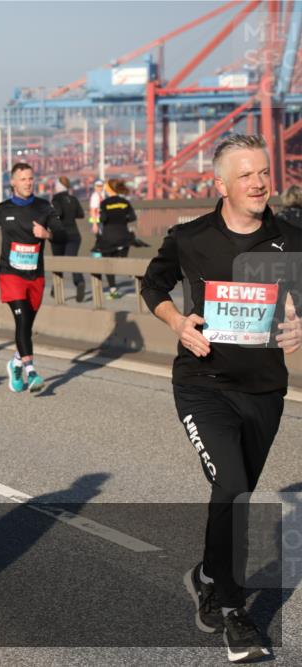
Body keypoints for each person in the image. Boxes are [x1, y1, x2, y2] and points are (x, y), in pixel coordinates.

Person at [141, 135, 301, 664]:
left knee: (235, 493)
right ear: (221, 185)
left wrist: (300, 327)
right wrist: (177, 323)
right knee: (232, 487)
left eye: (263, 172)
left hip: (265, 389)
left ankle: (207, 574)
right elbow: (153, 286)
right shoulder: (191, 238)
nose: (259, 182)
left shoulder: (291, 238)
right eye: (246, 175)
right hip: (202, 385)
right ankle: (235, 613)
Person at [0, 162, 55, 393]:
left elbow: (62, 234)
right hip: (10, 274)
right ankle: (31, 371)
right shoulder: (3, 209)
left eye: (31, 178)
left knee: (27, 326)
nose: (28, 182)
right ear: (12, 182)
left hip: (36, 276)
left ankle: (15, 363)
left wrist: (46, 234)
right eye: (23, 179)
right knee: (22, 321)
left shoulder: (44, 207)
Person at [94, 179, 137, 300]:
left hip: (108, 237)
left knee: (108, 263)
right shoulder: (125, 202)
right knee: (123, 259)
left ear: (109, 189)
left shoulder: (105, 203)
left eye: (106, 186)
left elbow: (102, 219)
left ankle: (113, 290)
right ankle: (133, 273)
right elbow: (133, 217)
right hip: (124, 235)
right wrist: (122, 219)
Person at [50, 175, 86, 303]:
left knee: (58, 262)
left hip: (60, 235)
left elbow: (58, 214)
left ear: (58, 186)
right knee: (72, 261)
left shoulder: (56, 199)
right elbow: (81, 214)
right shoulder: (73, 198)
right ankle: (80, 282)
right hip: (74, 235)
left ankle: (56, 288)